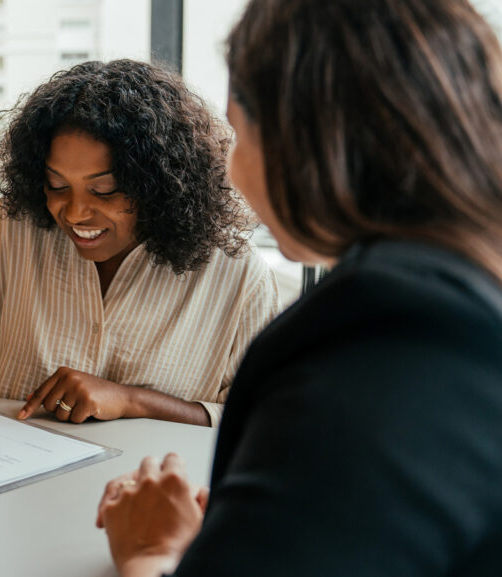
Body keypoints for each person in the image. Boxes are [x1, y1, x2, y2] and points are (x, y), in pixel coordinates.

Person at [97, 0, 502, 575]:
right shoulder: (465, 300)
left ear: (302, 143)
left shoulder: (370, 355)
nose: (232, 172)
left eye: (239, 136)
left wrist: (151, 553)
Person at [0, 59, 280, 438]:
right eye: (57, 186)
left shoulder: (238, 274)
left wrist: (133, 401)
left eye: (104, 190)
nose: (76, 212)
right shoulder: (6, 229)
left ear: (158, 185)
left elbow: (263, 419)